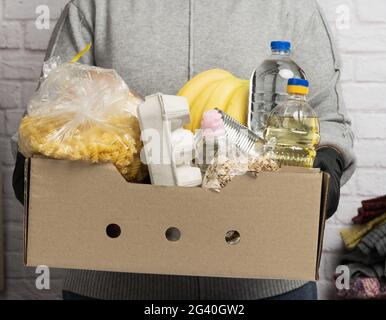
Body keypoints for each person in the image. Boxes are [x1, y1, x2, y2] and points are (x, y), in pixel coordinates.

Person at [13, 0, 356, 300]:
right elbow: (55, 103)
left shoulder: (291, 7)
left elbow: (327, 115)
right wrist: (36, 160)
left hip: (265, 282)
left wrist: (329, 157)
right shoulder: (94, 6)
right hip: (112, 281)